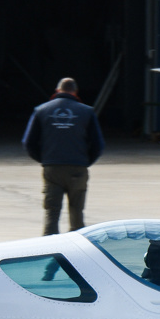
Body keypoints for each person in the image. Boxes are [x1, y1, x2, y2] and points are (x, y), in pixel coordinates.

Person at [22, 78, 105, 236]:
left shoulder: (41, 110)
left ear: (57, 91)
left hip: (52, 168)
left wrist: (45, 160)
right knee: (76, 212)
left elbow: (28, 142)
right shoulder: (87, 111)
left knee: (51, 212)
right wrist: (85, 162)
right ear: (75, 92)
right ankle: (77, 250)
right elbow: (98, 144)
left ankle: (48, 247)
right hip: (78, 168)